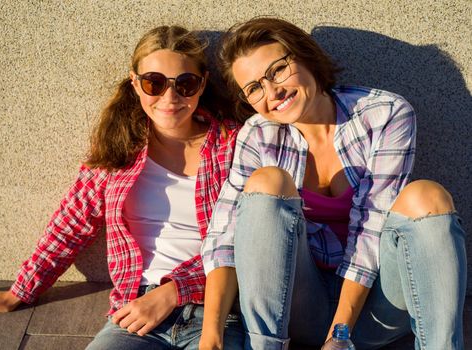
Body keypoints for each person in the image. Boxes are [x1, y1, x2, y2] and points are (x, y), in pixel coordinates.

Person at [0, 25, 245, 350]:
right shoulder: (120, 146)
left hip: (218, 310)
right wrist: (20, 291)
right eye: (154, 83)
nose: (169, 98)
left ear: (202, 83)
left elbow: (245, 241)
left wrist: (175, 289)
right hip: (135, 310)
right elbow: (73, 222)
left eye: (185, 84)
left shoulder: (234, 144)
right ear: (135, 83)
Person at [200, 17, 467, 350]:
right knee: (267, 180)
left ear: (305, 56)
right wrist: (211, 335)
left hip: (377, 308)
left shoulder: (384, 114)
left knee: (428, 197)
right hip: (298, 308)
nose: (273, 92)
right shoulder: (257, 135)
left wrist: (339, 335)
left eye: (278, 70)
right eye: (254, 88)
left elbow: (371, 229)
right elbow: (224, 237)